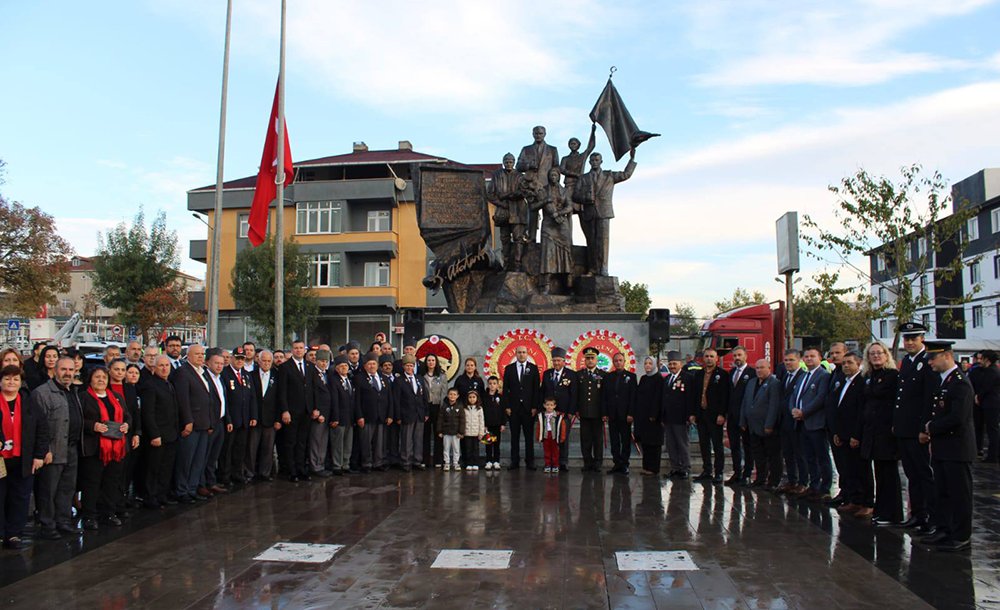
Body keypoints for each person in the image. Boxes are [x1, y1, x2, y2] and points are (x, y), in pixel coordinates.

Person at [920, 340, 976, 551]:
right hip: (944, 447)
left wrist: (930, 427)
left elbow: (957, 418)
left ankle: (961, 534)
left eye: (933, 358)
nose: (930, 363)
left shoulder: (960, 382)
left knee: (959, 493)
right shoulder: (945, 381)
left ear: (946, 355)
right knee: (943, 491)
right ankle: (944, 529)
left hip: (957, 448)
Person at [894, 322, 938, 533]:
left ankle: (930, 517)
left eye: (914, 338)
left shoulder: (927, 361)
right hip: (905, 428)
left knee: (924, 474)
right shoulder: (907, 362)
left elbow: (930, 398)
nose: (909, 342)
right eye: (907, 339)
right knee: (912, 474)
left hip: (918, 429)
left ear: (922, 339)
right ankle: (917, 514)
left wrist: (924, 428)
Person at [32, 356, 83, 537]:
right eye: (64, 369)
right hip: (52, 450)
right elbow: (38, 425)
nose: (67, 373)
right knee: (48, 490)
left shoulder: (74, 391)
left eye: (71, 370)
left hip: (72, 448)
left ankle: (63, 522)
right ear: (54, 371)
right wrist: (44, 449)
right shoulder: (42, 393)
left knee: (67, 489)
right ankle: (48, 525)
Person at [0, 365, 48, 548]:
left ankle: (13, 534)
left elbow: (42, 429)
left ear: (21, 382)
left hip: (23, 458)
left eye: (15, 379)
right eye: (7, 379)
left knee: (19, 497)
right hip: (1, 459)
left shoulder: (29, 403)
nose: (11, 382)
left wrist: (39, 455)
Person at [79, 366, 131, 529]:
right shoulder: (84, 397)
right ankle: (90, 516)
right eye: (97, 377)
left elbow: (127, 415)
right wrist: (92, 426)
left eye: (104, 377)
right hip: (95, 448)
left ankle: (108, 513)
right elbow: (78, 419)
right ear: (90, 379)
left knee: (112, 482)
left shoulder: (116, 397)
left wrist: (126, 425)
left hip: (117, 447)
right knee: (92, 483)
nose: (101, 380)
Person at [571, 149, 636, 276]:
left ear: (601, 161)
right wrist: (585, 198)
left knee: (604, 241)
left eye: (597, 160)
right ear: (589, 162)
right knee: (592, 242)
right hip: (589, 213)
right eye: (592, 160)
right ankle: (593, 268)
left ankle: (604, 268)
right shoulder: (583, 178)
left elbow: (626, 174)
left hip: (604, 212)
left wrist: (631, 160)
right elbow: (575, 196)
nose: (594, 162)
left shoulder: (609, 175)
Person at [858, 341, 902, 525]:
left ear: (886, 355)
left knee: (889, 475)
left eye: (879, 353)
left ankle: (893, 513)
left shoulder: (893, 376)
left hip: (886, 432)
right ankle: (882, 509)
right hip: (872, 431)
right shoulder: (868, 376)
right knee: (879, 474)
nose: (876, 356)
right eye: (872, 353)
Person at [830, 351, 869, 515]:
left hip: (855, 434)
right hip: (843, 433)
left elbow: (860, 411)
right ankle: (851, 498)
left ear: (859, 363)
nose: (846, 366)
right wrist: (837, 432)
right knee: (847, 469)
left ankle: (863, 501)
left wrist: (856, 435)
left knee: (860, 470)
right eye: (844, 363)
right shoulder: (845, 381)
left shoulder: (861, 382)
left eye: (850, 363)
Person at [172, 344, 212, 504]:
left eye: (203, 354)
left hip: (204, 423)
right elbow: (183, 400)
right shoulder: (183, 372)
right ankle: (182, 490)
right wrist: (187, 421)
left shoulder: (203, 372)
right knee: (186, 460)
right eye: (197, 354)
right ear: (188, 355)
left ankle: (192, 488)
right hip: (192, 424)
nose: (201, 357)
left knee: (198, 460)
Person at [792, 347, 833, 501]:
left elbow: (820, 398)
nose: (809, 359)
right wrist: (794, 410)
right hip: (802, 423)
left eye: (812, 356)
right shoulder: (804, 376)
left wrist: (804, 412)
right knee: (809, 456)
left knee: (821, 456)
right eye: (806, 356)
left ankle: (825, 487)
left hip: (815, 423)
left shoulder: (823, 375)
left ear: (819, 358)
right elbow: (795, 395)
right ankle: (813, 485)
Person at [140, 355, 179, 509]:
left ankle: (162, 494)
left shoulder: (169, 384)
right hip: (158, 435)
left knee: (166, 467)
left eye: (167, 365)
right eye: (161, 366)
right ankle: (151, 497)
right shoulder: (150, 385)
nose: (164, 368)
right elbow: (148, 413)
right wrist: (154, 434)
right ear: (154, 368)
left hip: (171, 434)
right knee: (153, 468)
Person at [740, 359, 782, 490]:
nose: (759, 370)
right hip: (753, 426)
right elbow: (745, 402)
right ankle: (760, 478)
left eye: (762, 367)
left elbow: (774, 406)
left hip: (767, 426)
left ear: (769, 368)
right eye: (757, 368)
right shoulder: (752, 382)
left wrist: (769, 424)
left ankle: (773, 481)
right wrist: (743, 420)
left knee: (772, 455)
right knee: (758, 454)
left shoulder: (774, 383)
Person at [515, 125, 560, 242]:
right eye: (536, 133)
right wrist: (528, 165)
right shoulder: (526, 149)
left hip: (546, 185)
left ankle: (549, 238)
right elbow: (518, 166)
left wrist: (554, 182)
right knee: (532, 213)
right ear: (532, 134)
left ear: (545, 134)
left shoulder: (552, 150)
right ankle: (532, 238)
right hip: (531, 186)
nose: (538, 135)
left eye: (540, 133)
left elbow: (556, 168)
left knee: (549, 213)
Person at [691, 348, 729, 484]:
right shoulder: (698, 374)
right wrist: (693, 414)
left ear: (717, 358)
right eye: (706, 356)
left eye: (712, 356)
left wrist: (722, 414)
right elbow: (695, 395)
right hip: (701, 415)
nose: (709, 359)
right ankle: (707, 470)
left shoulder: (723, 375)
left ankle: (718, 472)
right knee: (704, 444)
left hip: (715, 415)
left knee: (717, 445)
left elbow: (724, 396)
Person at [108, 360, 141, 512]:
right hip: (109, 436)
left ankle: (121, 501)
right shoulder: (105, 388)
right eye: (116, 369)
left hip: (128, 434)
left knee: (125, 471)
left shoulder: (129, 388)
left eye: (122, 370)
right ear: (109, 370)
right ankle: (109, 504)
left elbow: (135, 413)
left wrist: (136, 433)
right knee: (112, 473)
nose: (120, 373)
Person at [278, 340, 313, 482]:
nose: (298, 350)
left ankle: (301, 469)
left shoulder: (310, 367)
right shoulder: (285, 367)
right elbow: (282, 391)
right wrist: (285, 410)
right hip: (291, 411)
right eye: (295, 348)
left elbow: (311, 389)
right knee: (291, 441)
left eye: (301, 348)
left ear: (304, 350)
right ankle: (292, 471)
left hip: (306, 411)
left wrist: (313, 407)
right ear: (292, 350)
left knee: (302, 442)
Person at [502, 346, 541, 471]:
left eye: (524, 352)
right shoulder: (509, 369)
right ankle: (514, 461)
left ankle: (530, 461)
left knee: (529, 437)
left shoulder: (533, 368)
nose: (521, 354)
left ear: (527, 353)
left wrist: (535, 406)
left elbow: (536, 390)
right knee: (514, 437)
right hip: (513, 409)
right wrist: (507, 406)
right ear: (516, 354)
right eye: (519, 352)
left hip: (529, 409)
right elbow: (505, 390)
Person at [355, 352, 392, 473]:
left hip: (381, 415)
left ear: (377, 365)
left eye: (374, 364)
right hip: (367, 416)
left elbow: (389, 398)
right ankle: (367, 463)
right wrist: (359, 416)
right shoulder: (359, 379)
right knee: (366, 441)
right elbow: (357, 400)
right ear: (365, 366)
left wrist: (390, 415)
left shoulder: (384, 379)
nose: (371, 366)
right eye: (369, 364)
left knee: (380, 442)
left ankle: (378, 462)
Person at [777, 349, 808, 495]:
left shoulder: (803, 376)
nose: (788, 363)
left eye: (791, 360)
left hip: (796, 421)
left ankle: (803, 482)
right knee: (787, 453)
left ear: (799, 360)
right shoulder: (785, 376)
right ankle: (791, 480)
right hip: (784, 421)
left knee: (799, 453)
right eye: (786, 360)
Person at [539, 167, 574, 293]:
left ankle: (567, 284)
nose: (553, 177)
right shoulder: (543, 190)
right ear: (549, 177)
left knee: (566, 252)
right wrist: (544, 202)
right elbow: (533, 207)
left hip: (562, 224)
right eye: (551, 175)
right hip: (548, 224)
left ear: (559, 177)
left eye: (555, 175)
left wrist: (559, 213)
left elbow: (570, 206)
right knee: (547, 253)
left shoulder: (565, 191)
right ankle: (546, 285)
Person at [541, 348, 576, 472]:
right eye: (554, 360)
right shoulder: (547, 374)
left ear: (564, 361)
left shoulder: (571, 374)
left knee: (563, 438)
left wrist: (571, 412)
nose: (556, 363)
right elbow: (542, 392)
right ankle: (550, 462)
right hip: (549, 413)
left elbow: (574, 394)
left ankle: (563, 462)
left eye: (558, 361)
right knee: (550, 438)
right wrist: (543, 410)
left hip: (564, 413)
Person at [661, 351, 694, 479]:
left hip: (681, 418)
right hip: (669, 418)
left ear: (680, 364)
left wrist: (689, 416)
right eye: (670, 364)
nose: (672, 366)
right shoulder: (668, 379)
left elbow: (690, 398)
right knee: (671, 444)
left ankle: (685, 468)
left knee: (682, 443)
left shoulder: (688, 378)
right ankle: (675, 468)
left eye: (674, 363)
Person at [201, 349, 229, 497]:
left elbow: (223, 400)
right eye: (216, 363)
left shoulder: (220, 378)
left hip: (220, 421)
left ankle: (211, 482)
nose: (219, 366)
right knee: (204, 456)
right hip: (210, 423)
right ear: (208, 363)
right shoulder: (205, 377)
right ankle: (202, 483)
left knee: (214, 455)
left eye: (221, 363)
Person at [603, 352, 636, 475]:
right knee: (614, 440)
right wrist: (605, 413)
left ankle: (625, 464)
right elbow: (605, 396)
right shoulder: (608, 377)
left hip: (625, 414)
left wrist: (631, 413)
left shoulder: (631, 377)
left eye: (620, 360)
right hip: (612, 414)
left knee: (625, 440)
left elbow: (633, 397)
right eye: (616, 361)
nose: (618, 362)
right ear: (613, 362)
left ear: (624, 361)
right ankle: (616, 463)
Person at [247, 350, 278, 481]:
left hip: (271, 419)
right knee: (251, 448)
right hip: (255, 418)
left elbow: (280, 398)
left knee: (268, 448)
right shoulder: (251, 375)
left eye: (268, 361)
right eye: (263, 361)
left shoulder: (277, 375)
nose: (266, 363)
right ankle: (249, 473)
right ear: (258, 361)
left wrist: (278, 419)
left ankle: (265, 473)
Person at [726, 346, 755, 486]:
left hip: (746, 417)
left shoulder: (752, 373)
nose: (737, 358)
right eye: (735, 355)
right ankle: (737, 472)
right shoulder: (731, 373)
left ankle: (747, 473)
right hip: (732, 416)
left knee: (747, 446)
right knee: (734, 446)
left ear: (745, 356)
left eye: (739, 355)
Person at [394, 355, 426, 471]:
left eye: (411, 365)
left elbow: (424, 396)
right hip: (406, 414)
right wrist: (398, 416)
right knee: (406, 439)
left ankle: (417, 460)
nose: (409, 367)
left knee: (418, 438)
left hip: (419, 413)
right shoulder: (399, 380)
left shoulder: (419, 379)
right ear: (403, 367)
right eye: (407, 365)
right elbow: (396, 400)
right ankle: (406, 461)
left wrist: (425, 412)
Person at [575, 347, 605, 472]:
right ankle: (587, 462)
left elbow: (605, 396)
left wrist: (604, 412)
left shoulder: (603, 375)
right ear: (585, 360)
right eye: (588, 358)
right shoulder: (579, 375)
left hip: (598, 413)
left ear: (596, 360)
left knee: (598, 439)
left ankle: (598, 463)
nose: (590, 360)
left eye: (592, 358)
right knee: (585, 439)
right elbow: (576, 394)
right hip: (584, 412)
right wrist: (576, 410)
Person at [634, 356, 663, 476]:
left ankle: (654, 468)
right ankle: (646, 467)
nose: (647, 366)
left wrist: (654, 414)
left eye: (650, 363)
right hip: (643, 416)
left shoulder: (659, 379)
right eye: (646, 363)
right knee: (645, 442)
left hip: (653, 417)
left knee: (654, 444)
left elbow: (658, 398)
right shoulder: (643, 378)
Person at [307, 350, 334, 477]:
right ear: (316, 361)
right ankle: (315, 465)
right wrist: (316, 410)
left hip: (327, 413)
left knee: (323, 440)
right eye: (322, 361)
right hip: (318, 413)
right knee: (316, 441)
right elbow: (312, 394)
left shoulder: (328, 374)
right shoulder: (312, 374)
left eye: (326, 361)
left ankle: (321, 464)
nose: (324, 363)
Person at [971, 350, 1000, 463]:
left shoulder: (993, 371)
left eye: (981, 358)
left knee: (992, 429)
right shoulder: (983, 370)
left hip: (991, 403)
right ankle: (979, 450)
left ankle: (993, 455)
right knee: (981, 427)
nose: (979, 361)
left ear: (986, 359)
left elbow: (987, 387)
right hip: (984, 403)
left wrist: (979, 396)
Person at [329, 355, 355, 475]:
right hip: (339, 417)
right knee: (338, 443)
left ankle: (346, 464)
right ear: (336, 368)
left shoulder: (349, 379)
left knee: (348, 443)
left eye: (346, 366)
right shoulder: (334, 381)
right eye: (341, 366)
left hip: (349, 417)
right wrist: (335, 417)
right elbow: (334, 400)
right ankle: (337, 465)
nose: (344, 368)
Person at [423, 354, 449, 468]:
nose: (431, 362)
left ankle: (438, 460)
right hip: (425, 407)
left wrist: (442, 409)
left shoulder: (442, 375)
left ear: (436, 362)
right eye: (429, 360)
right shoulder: (421, 375)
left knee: (438, 434)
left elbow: (444, 393)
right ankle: (425, 460)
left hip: (437, 406)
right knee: (425, 435)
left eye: (433, 360)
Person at [559, 124, 597, 195]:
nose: (573, 145)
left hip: (580, 183)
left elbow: (591, 146)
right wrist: (576, 174)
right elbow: (562, 170)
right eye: (571, 144)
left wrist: (593, 132)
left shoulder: (582, 156)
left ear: (578, 145)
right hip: (569, 184)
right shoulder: (565, 159)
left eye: (575, 144)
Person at [536, 396, 566, 474]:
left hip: (554, 435)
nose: (549, 407)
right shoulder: (541, 416)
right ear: (544, 405)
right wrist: (538, 436)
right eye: (548, 405)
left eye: (551, 405)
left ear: (555, 406)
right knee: (547, 451)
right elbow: (539, 426)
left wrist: (562, 437)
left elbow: (562, 427)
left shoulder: (558, 416)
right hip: (546, 435)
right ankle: (547, 465)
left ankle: (555, 465)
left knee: (555, 451)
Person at [437, 387, 464, 471]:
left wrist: (461, 432)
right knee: (446, 448)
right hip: (446, 432)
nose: (452, 396)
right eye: (450, 394)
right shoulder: (444, 406)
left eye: (454, 394)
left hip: (456, 433)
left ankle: (456, 463)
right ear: (448, 395)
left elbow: (462, 420)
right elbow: (440, 419)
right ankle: (447, 463)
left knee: (456, 449)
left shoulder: (460, 407)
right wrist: (439, 431)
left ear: (458, 396)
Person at [483, 376, 506, 470]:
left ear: (497, 385)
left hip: (497, 424)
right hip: (488, 425)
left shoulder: (500, 397)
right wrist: (483, 424)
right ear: (488, 385)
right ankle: (488, 461)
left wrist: (503, 423)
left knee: (496, 444)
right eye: (490, 383)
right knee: (488, 444)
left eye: (494, 383)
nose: (492, 385)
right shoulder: (484, 397)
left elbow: (503, 411)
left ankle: (496, 461)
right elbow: (482, 411)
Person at [462, 389, 485, 471]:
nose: (472, 399)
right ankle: (469, 463)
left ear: (477, 398)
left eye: (474, 397)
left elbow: (481, 421)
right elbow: (463, 421)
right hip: (467, 433)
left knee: (475, 449)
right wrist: (462, 432)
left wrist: (481, 433)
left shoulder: (479, 409)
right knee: (468, 449)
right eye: (470, 397)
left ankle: (475, 463)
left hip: (476, 433)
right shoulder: (464, 409)